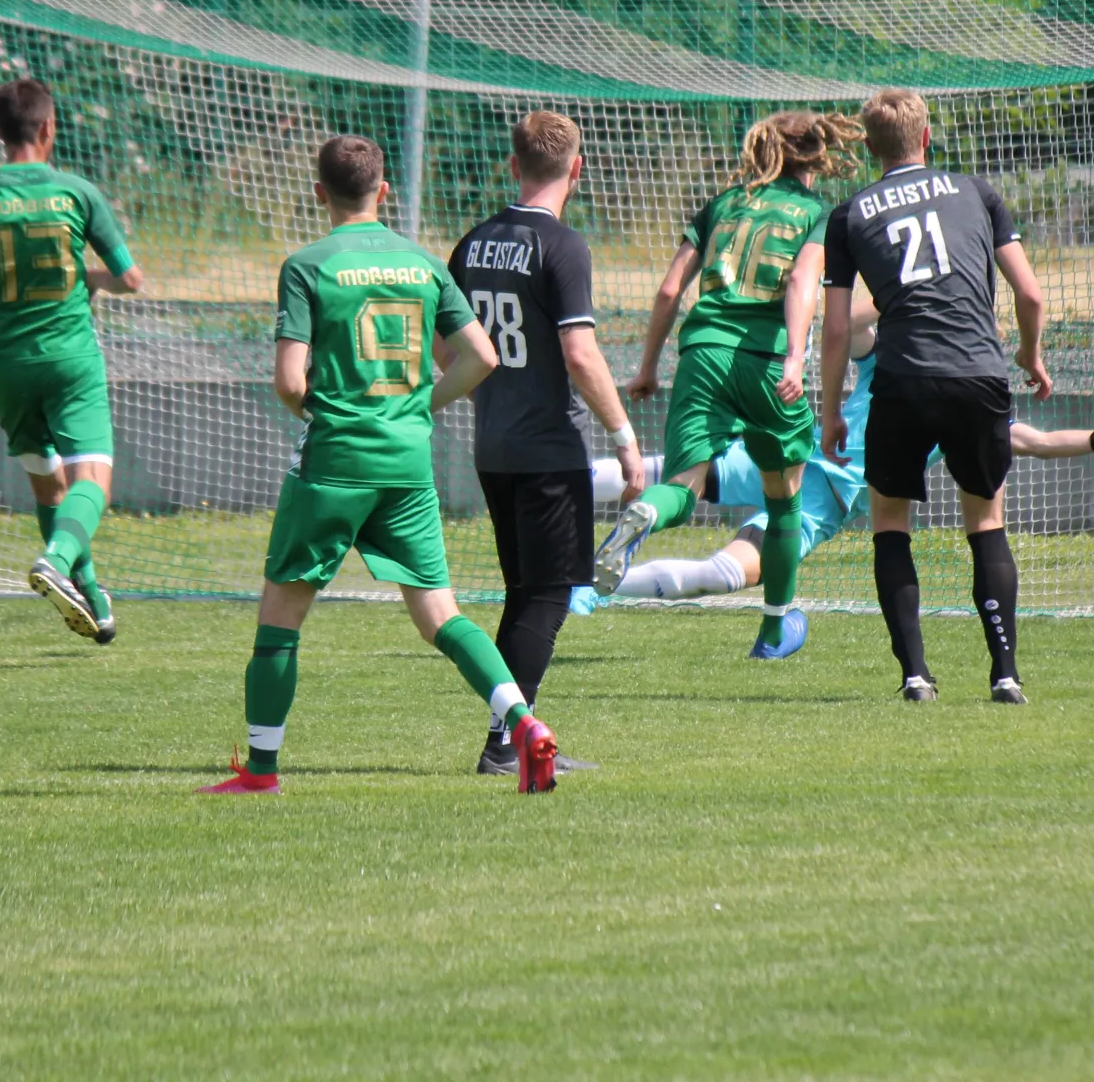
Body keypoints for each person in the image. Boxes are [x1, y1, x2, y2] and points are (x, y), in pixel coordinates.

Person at [199, 135, 564, 796]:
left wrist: (328, 409)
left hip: (335, 462)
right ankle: (523, 721)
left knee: (280, 619)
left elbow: (289, 382)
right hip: (406, 464)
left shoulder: (307, 265)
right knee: (441, 616)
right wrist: (420, 404)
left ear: (320, 193)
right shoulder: (421, 262)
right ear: (384, 191)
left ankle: (261, 770)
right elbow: (482, 355)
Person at [595, 311, 1094, 702]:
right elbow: (847, 322)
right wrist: (901, 298)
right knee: (681, 507)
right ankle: (585, 573)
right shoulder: (889, 355)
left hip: (814, 490)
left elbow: (1035, 441)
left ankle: (587, 573)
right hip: (807, 468)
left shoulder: (965, 405)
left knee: (689, 514)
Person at [593, 111, 866, 660]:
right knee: (783, 502)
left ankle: (647, 514)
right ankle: (773, 632)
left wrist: (647, 368)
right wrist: (795, 358)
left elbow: (669, 290)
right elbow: (802, 280)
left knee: (682, 486)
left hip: (701, 354)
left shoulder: (722, 204)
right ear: (815, 158)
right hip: (764, 363)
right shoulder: (818, 213)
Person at [818, 88, 1050, 704]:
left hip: (903, 379)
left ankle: (915, 675)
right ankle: (1005, 673)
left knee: (890, 522)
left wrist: (832, 411)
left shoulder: (849, 214)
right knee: (986, 521)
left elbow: (836, 329)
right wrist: (1030, 354)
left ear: (871, 147)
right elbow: (1030, 295)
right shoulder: (977, 192)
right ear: (926, 137)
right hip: (978, 373)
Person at [446, 111, 644, 778]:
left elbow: (448, 347)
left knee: (525, 592)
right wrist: (624, 438)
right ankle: (508, 744)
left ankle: (506, 739)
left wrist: (493, 399)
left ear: (513, 165)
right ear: (577, 169)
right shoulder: (561, 246)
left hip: (493, 446)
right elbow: (580, 353)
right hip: (548, 448)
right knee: (551, 594)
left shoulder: (472, 243)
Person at [0, 78, 144, 643]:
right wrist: (91, 278)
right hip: (69, 358)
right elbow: (130, 279)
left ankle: (92, 596)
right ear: (48, 128)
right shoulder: (77, 192)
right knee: (91, 479)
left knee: (48, 484)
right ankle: (57, 560)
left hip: (5, 363)